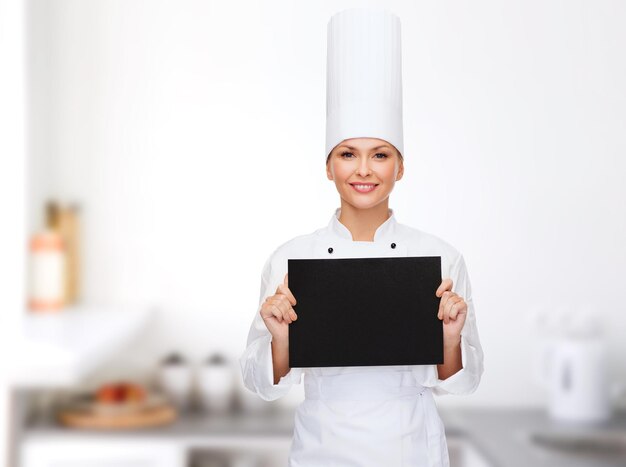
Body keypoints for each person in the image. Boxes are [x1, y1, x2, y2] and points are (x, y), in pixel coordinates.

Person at [240, 7, 484, 467]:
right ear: (328, 165)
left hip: (411, 448)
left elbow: (463, 382)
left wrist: (450, 339)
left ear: (401, 166)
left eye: (381, 154)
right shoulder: (291, 259)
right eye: (348, 154)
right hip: (322, 450)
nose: (365, 170)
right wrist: (279, 339)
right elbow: (260, 384)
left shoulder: (440, 257)